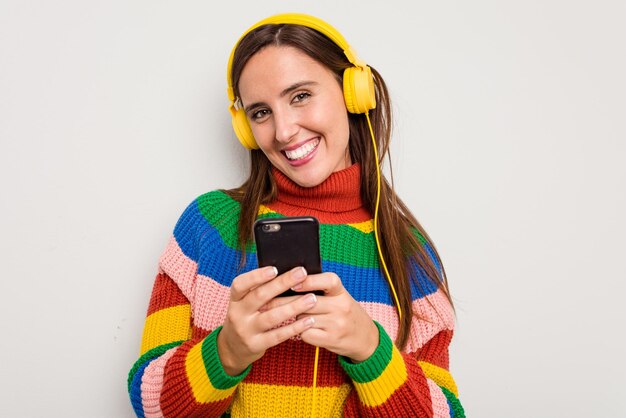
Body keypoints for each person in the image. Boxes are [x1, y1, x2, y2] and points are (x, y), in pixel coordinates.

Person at [128, 13, 465, 418]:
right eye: (260, 112)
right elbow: (151, 404)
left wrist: (370, 350)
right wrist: (227, 353)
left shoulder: (409, 252)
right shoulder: (207, 226)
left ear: (353, 93)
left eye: (301, 96)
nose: (284, 131)